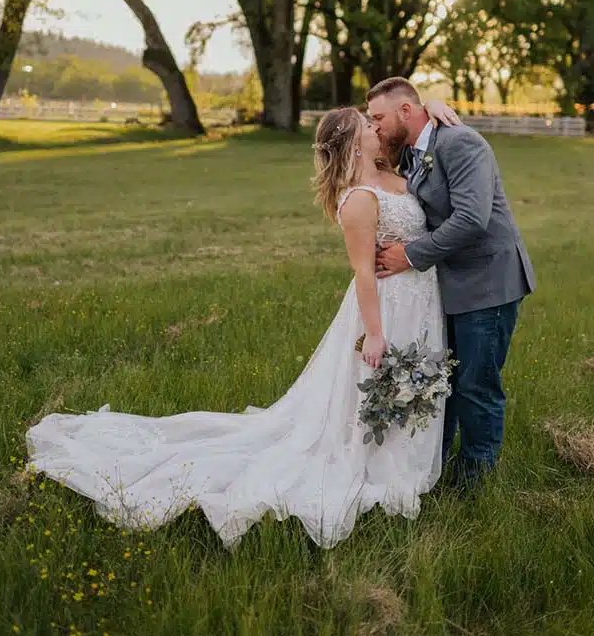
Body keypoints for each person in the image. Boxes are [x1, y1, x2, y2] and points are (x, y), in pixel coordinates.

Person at [26, 101, 456, 549]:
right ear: (351, 141)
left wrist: (432, 108)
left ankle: (403, 458)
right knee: (377, 387)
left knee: (412, 381)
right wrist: (376, 332)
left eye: (373, 121)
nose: (374, 126)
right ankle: (376, 463)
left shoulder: (394, 174)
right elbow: (364, 273)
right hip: (386, 305)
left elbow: (414, 130)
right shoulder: (359, 200)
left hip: (419, 299)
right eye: (366, 124)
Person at [367, 77, 535, 489]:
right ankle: (434, 468)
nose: (375, 127)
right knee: (448, 381)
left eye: (379, 118)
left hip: (488, 281)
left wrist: (409, 254)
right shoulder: (411, 149)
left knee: (477, 385)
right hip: (452, 283)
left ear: (406, 111)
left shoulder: (460, 143)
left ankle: (474, 482)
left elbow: (471, 219)